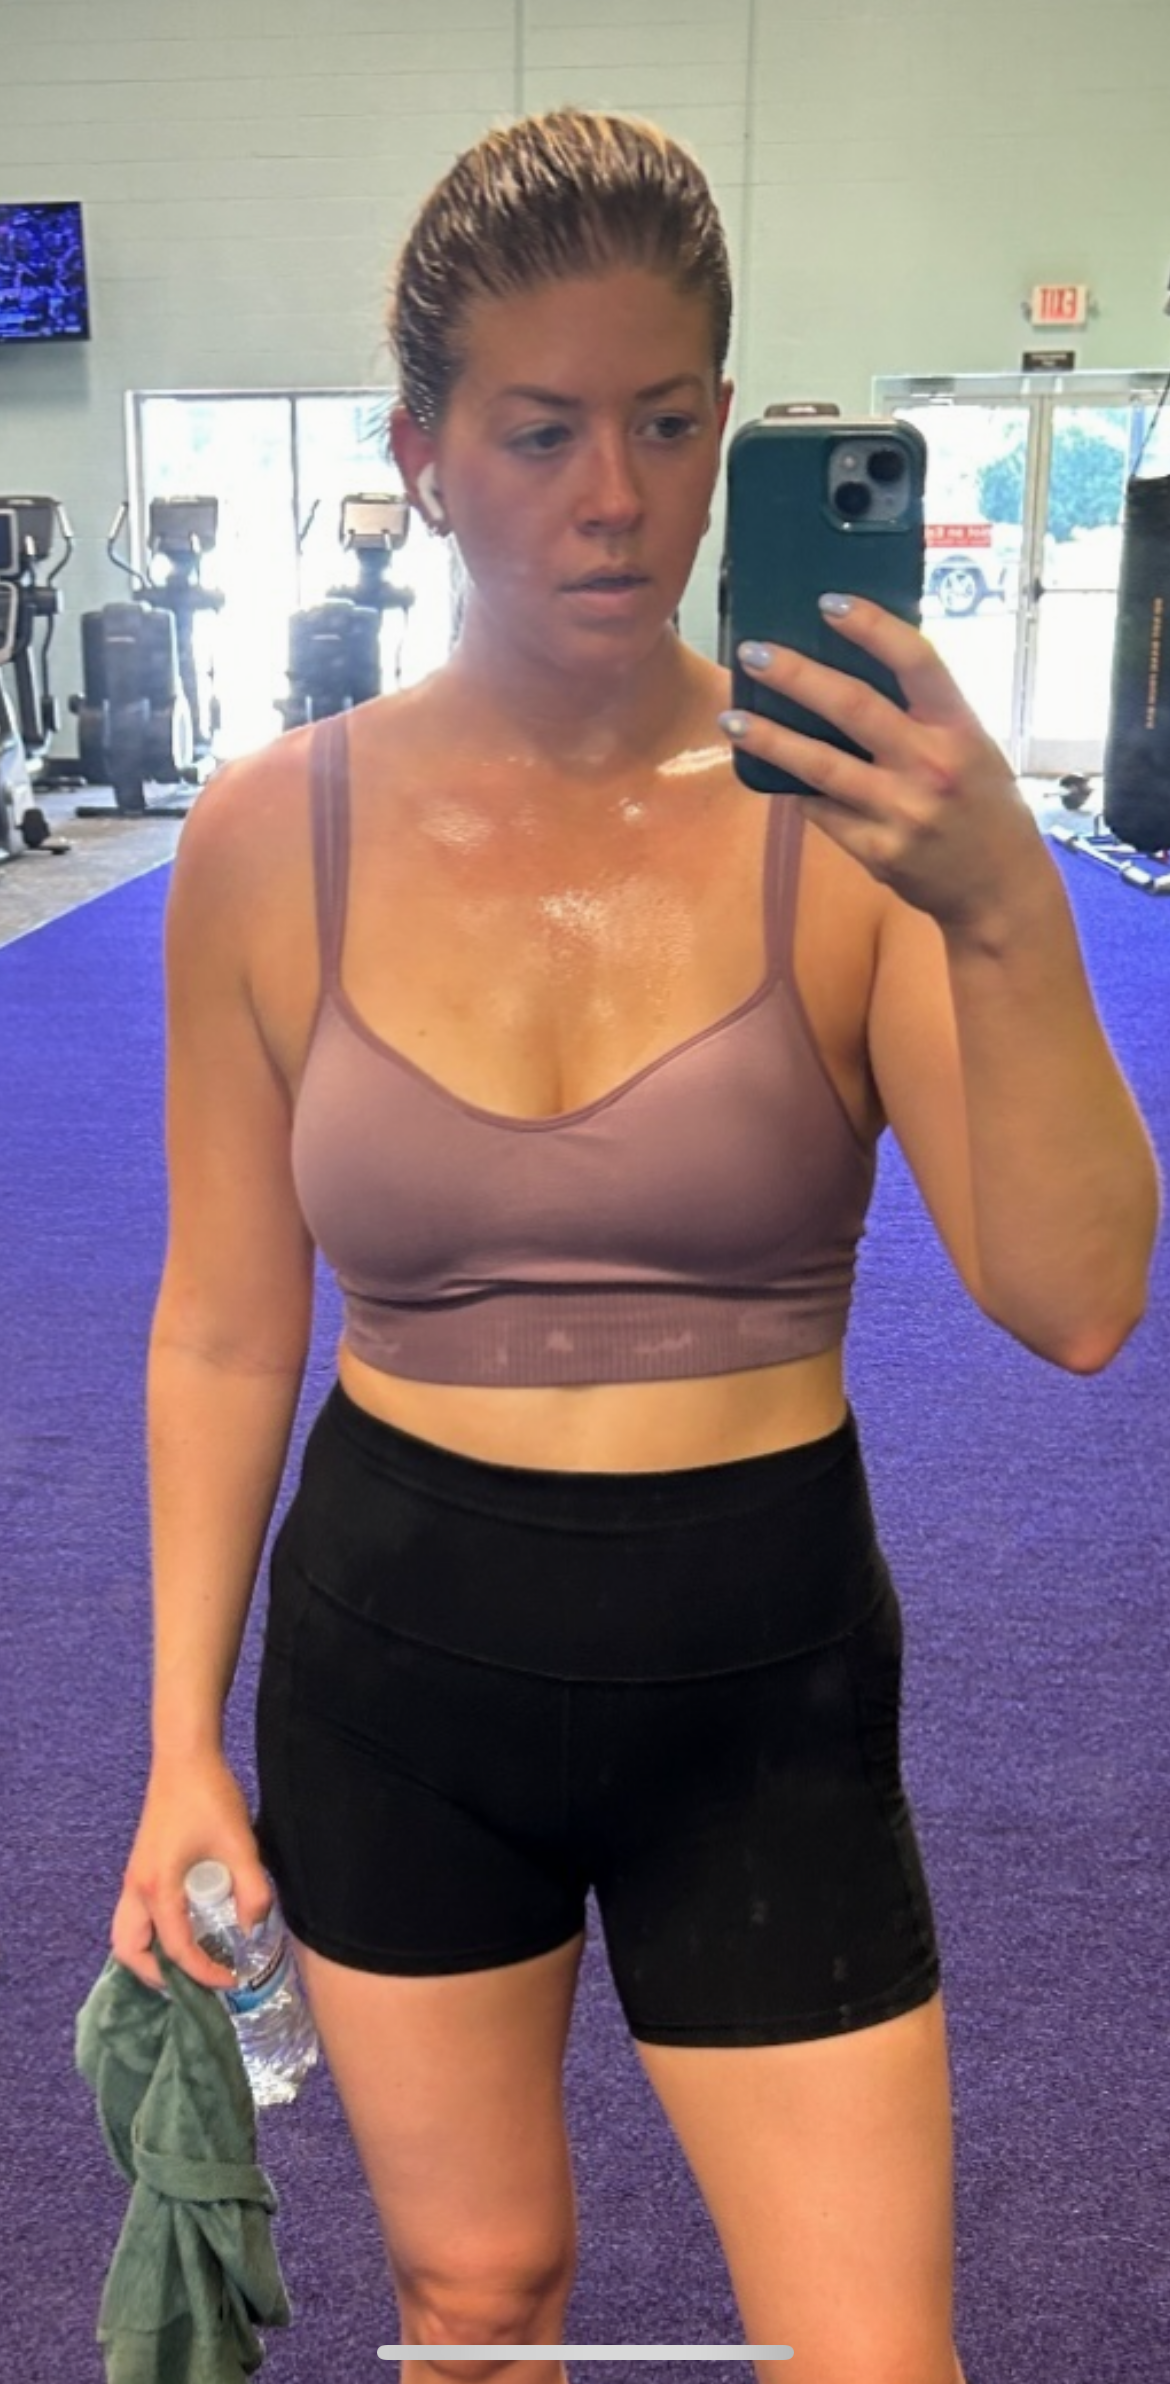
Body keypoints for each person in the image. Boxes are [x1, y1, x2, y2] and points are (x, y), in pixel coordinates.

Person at [111, 108, 1160, 2384]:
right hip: (398, 1663)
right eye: (540, 431)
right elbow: (219, 1329)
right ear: (420, 454)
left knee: (871, 2356)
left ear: (728, 426)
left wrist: (1003, 902)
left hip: (758, 1672)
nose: (615, 496)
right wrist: (179, 1739)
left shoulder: (864, 828)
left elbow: (1080, 1303)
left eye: (669, 425)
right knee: (476, 2303)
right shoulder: (270, 839)